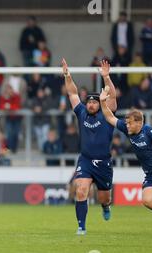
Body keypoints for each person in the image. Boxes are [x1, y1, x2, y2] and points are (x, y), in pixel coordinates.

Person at [62, 58, 117, 235]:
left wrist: (107, 78)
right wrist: (67, 75)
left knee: (104, 198)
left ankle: (106, 207)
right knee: (81, 189)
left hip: (103, 163)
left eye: (95, 102)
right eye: (89, 102)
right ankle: (81, 227)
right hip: (85, 160)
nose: (92, 104)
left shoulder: (107, 115)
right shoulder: (81, 113)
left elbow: (113, 97)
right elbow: (72, 93)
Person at [99, 88, 152, 215]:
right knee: (147, 201)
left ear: (138, 123)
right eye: (126, 123)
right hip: (151, 175)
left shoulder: (149, 130)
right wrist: (102, 101)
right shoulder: (128, 130)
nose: (127, 125)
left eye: (129, 123)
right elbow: (110, 117)